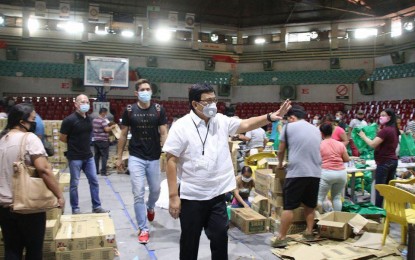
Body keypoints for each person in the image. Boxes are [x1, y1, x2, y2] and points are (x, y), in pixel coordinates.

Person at [163, 83, 291, 259]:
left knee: (220, 239)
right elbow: (171, 160)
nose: (213, 104)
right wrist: (173, 197)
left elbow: (246, 124)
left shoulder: (221, 121)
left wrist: (270, 117)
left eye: (215, 100)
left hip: (217, 195)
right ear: (195, 104)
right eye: (208, 101)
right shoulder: (181, 126)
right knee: (189, 243)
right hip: (192, 196)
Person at [0, 103, 65, 260]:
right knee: (34, 250)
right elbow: (44, 170)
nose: (35, 123)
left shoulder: (2, 139)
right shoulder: (29, 138)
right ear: (22, 122)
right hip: (27, 207)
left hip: (4, 205)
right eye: (33, 119)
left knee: (12, 249)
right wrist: (59, 195)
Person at [116, 79, 168, 244]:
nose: (146, 91)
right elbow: (123, 135)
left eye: (148, 89)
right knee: (138, 193)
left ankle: (150, 206)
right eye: (142, 89)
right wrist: (118, 157)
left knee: (155, 189)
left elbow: (164, 133)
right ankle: (143, 228)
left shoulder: (159, 110)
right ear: (136, 93)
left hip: (153, 156)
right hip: (136, 157)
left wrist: (167, 152)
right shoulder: (130, 110)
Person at [273, 105, 321, 248]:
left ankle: (281, 237)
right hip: (315, 173)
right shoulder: (315, 129)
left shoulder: (288, 127)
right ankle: (308, 232)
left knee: (289, 206)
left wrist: (280, 164)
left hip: (297, 173)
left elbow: (281, 150)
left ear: (292, 117)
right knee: (310, 205)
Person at [59, 94, 109, 215]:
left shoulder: (89, 119)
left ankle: (96, 206)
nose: (85, 104)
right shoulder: (69, 120)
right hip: (75, 157)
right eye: (82, 102)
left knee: (94, 181)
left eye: (87, 102)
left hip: (88, 156)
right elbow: (62, 138)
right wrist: (75, 145)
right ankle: (75, 209)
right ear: (76, 104)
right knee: (74, 184)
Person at [358, 108, 400, 207]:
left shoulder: (385, 131)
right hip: (393, 161)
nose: (381, 117)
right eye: (380, 115)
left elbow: (373, 144)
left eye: (383, 115)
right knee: (388, 189)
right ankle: (389, 210)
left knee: (380, 189)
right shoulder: (394, 130)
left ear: (389, 117)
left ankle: (378, 213)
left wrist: (363, 136)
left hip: (384, 162)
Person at [317, 123, 350, 212]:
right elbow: (347, 159)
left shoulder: (320, 144)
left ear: (321, 133)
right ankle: (336, 221)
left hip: (326, 173)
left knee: (319, 198)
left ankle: (318, 220)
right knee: (337, 197)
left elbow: (316, 160)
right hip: (341, 174)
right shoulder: (340, 144)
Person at [93, 107, 116, 176]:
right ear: (103, 113)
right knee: (104, 156)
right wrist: (112, 127)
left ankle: (96, 171)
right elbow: (107, 129)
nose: (106, 114)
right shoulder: (102, 120)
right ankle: (103, 172)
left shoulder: (94, 120)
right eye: (105, 113)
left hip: (96, 140)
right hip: (103, 141)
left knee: (96, 156)